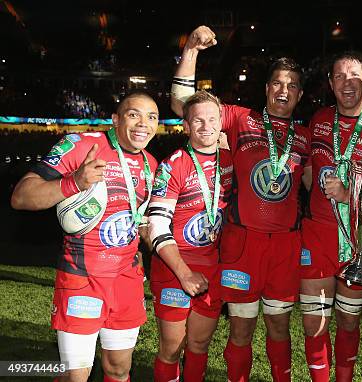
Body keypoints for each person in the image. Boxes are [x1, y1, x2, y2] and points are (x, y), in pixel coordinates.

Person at [170, 25, 311, 382]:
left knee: (280, 330)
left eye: (292, 85)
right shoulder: (239, 118)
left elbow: (315, 187)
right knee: (241, 332)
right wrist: (191, 52)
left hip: (284, 247)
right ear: (266, 89)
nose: (284, 90)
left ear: (300, 94)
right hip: (243, 244)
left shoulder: (306, 137)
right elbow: (182, 105)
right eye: (278, 83)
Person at [10, 92, 159, 382]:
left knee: (119, 370)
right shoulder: (81, 145)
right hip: (82, 279)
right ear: (115, 119)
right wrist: (75, 182)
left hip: (126, 280)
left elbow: (137, 220)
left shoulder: (151, 164)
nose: (144, 123)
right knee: (75, 376)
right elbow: (21, 196)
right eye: (134, 114)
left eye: (152, 116)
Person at [300, 51, 362, 382]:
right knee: (314, 323)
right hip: (317, 235)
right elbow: (310, 172)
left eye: (354, 75)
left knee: (347, 321)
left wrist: (349, 194)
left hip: (358, 242)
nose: (347, 83)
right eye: (339, 76)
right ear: (330, 83)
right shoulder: (319, 119)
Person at [148, 91, 233, 382]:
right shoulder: (173, 164)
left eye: (212, 119)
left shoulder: (231, 162)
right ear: (186, 126)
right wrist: (184, 274)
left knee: (198, 346)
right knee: (172, 349)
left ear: (222, 122)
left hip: (213, 270)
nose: (206, 126)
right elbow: (157, 226)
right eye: (198, 120)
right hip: (174, 269)